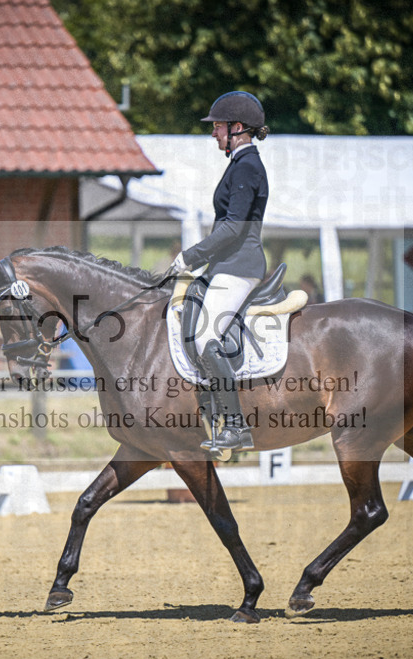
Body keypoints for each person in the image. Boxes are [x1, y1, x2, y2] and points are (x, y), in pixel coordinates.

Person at [169, 91, 270, 454]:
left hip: (239, 266)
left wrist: (189, 256)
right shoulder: (240, 164)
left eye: (217, 126)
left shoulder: (246, 167)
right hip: (225, 265)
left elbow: (232, 229)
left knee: (205, 337)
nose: (213, 132)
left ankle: (236, 427)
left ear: (237, 128)